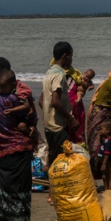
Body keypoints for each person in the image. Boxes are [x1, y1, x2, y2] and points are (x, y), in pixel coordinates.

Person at [0, 66, 36, 221]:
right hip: (20, 151)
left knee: (4, 196)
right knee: (21, 197)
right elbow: (32, 115)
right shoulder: (15, 99)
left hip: (1, 151)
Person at [41, 42, 79, 172]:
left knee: (53, 158)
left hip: (48, 124)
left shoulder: (48, 73)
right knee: (60, 160)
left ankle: (52, 191)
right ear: (65, 56)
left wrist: (48, 113)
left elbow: (42, 100)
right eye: (71, 55)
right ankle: (55, 191)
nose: (71, 59)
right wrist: (71, 118)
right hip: (58, 126)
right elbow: (55, 102)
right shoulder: (59, 74)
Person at [97, 119, 111, 190]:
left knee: (110, 176)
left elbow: (107, 153)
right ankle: (106, 190)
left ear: (108, 130)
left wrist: (104, 163)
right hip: (103, 160)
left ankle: (110, 191)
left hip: (108, 161)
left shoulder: (110, 141)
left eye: (102, 129)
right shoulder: (106, 139)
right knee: (104, 175)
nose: (100, 130)